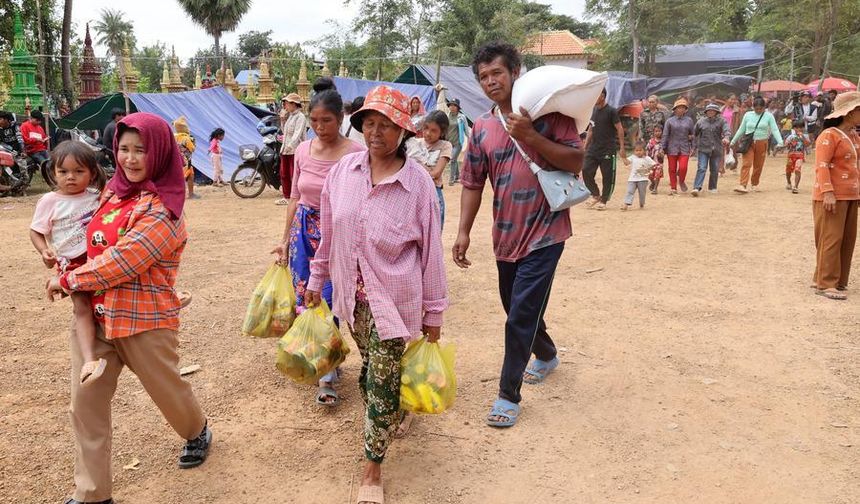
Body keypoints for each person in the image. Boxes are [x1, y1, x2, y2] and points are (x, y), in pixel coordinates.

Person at [45, 112, 211, 504]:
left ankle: (197, 430)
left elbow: (126, 259)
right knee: (85, 405)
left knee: (168, 392)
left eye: (141, 150)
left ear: (160, 153)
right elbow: (88, 240)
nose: (131, 159)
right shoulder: (110, 194)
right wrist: (61, 259)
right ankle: (93, 495)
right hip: (96, 320)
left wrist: (70, 280)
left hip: (144, 321)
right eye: (123, 149)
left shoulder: (164, 210)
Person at [305, 85, 447, 504]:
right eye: (370, 123)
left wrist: (434, 311)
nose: (376, 132)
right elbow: (329, 237)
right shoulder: (341, 175)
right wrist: (316, 282)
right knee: (371, 371)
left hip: (397, 299)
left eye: (387, 125)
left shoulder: (417, 184)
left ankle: (372, 467)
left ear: (404, 131)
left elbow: (431, 253)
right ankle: (395, 410)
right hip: (352, 299)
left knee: (382, 377)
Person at [453, 41, 583, 429]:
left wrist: (531, 136)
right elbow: (473, 183)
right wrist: (462, 231)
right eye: (484, 76)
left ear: (515, 72)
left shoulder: (550, 116)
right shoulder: (482, 128)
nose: (491, 81)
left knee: (519, 316)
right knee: (517, 308)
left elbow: (576, 161)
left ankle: (507, 395)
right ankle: (547, 354)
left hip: (546, 232)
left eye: (497, 73)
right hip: (506, 236)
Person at [271, 88, 365, 406]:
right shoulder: (302, 150)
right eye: (314, 120)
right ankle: (318, 357)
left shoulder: (355, 153)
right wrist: (284, 240)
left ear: (341, 119)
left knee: (329, 297)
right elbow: (295, 197)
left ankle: (326, 372)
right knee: (306, 296)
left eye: (327, 120)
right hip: (303, 233)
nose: (320, 127)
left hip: (337, 234)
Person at [31, 142, 106, 386]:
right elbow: (36, 231)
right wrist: (45, 251)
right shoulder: (49, 201)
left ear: (92, 173)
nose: (70, 177)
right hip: (71, 263)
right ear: (53, 172)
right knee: (82, 307)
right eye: (63, 172)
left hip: (101, 256)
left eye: (78, 171)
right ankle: (89, 359)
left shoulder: (98, 196)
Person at [811, 91, 860, 301]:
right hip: (831, 195)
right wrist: (828, 192)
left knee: (847, 239)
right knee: (831, 238)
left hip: (850, 194)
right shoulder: (829, 135)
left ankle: (836, 280)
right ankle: (826, 283)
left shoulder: (854, 136)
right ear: (849, 113)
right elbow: (821, 166)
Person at [583, 88, 628, 210]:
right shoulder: (594, 110)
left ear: (602, 96)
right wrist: (585, 146)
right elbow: (591, 129)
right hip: (594, 148)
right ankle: (595, 194)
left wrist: (622, 147)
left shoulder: (611, 111)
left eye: (596, 96)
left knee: (607, 176)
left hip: (608, 149)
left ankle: (604, 200)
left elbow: (619, 129)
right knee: (586, 170)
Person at [406, 110, 452, 229]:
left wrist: (416, 169)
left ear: (442, 132)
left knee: (434, 229)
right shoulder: (415, 143)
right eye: (425, 128)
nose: (427, 133)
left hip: (433, 191)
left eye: (433, 130)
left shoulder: (445, 145)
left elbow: (436, 173)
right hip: (414, 190)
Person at [731, 96, 783, 194]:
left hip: (762, 142)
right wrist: (733, 141)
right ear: (753, 107)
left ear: (764, 107)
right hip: (748, 142)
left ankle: (754, 184)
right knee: (747, 163)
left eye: (761, 109)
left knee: (758, 165)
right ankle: (743, 184)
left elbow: (774, 129)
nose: (758, 111)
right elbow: (741, 129)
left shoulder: (769, 116)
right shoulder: (748, 115)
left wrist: (780, 142)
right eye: (756, 109)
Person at [691, 103, 730, 196]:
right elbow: (694, 133)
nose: (710, 112)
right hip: (703, 148)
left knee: (715, 169)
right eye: (709, 111)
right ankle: (697, 187)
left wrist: (726, 138)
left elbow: (726, 131)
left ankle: (712, 187)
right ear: (706, 112)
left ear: (717, 112)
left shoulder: (722, 121)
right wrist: (694, 146)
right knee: (701, 168)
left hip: (716, 149)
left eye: (713, 111)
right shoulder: (701, 122)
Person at [278, 93, 308, 205]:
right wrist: (282, 120)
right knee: (284, 173)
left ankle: (296, 197)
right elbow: (285, 132)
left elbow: (297, 134)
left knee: (294, 174)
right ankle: (287, 196)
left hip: (295, 150)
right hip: (286, 149)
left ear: (293, 104)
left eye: (287, 103)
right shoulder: (290, 116)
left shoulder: (301, 117)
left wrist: (290, 145)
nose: (285, 105)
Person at [661, 98, 695, 195]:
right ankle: (673, 188)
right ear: (675, 109)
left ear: (685, 110)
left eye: (683, 108)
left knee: (683, 167)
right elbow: (665, 135)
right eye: (679, 108)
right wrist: (662, 148)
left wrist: (693, 146)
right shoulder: (669, 121)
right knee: (672, 169)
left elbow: (693, 134)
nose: (681, 110)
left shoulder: (689, 121)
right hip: (672, 148)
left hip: (685, 147)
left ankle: (681, 180)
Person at [622, 141, 655, 210]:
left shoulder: (647, 158)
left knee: (642, 193)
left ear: (644, 150)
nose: (638, 152)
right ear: (634, 151)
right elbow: (626, 163)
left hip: (643, 179)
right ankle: (626, 204)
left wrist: (647, 170)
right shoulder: (632, 157)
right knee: (630, 191)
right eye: (636, 150)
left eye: (640, 150)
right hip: (632, 179)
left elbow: (653, 164)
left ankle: (642, 203)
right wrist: (623, 157)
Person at [172, 116, 199, 199]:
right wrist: (194, 143)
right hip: (186, 161)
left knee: (180, 177)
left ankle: (177, 194)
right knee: (189, 176)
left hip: (175, 160)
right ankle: (190, 194)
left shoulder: (173, 137)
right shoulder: (186, 138)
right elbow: (192, 149)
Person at [446, 98, 469, 185]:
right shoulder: (447, 115)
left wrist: (470, 140)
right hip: (449, 142)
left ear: (457, 107)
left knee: (452, 159)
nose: (452, 107)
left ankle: (451, 180)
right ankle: (457, 177)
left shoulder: (462, 117)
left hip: (458, 142)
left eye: (454, 105)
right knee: (454, 159)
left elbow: (466, 130)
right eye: (451, 105)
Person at [784, 120, 811, 194]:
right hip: (791, 155)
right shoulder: (790, 136)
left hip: (800, 156)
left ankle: (795, 186)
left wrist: (802, 137)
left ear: (803, 128)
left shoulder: (805, 136)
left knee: (797, 170)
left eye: (801, 127)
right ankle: (789, 183)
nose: (799, 129)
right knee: (788, 170)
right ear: (794, 128)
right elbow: (786, 144)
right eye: (796, 128)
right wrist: (789, 143)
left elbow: (807, 144)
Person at [647, 124, 665, 194]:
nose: (658, 133)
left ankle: (655, 188)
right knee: (650, 175)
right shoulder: (651, 141)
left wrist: (662, 154)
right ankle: (653, 182)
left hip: (659, 162)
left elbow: (665, 150)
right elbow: (647, 150)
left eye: (659, 131)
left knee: (657, 174)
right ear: (653, 132)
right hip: (651, 161)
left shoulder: (663, 142)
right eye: (656, 131)